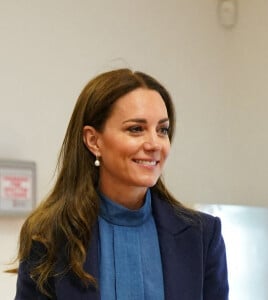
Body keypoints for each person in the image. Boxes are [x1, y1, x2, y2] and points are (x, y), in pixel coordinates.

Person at [13, 68, 229, 299]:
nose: (154, 144)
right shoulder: (49, 237)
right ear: (93, 141)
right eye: (136, 129)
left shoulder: (202, 236)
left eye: (162, 130)